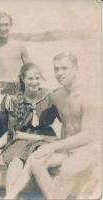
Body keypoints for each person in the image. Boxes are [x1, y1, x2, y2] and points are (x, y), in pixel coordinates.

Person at [0, 63, 59, 199]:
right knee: (15, 161)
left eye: (37, 78)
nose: (34, 82)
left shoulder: (49, 96)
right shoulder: (15, 100)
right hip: (21, 139)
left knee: (37, 155)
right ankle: (11, 196)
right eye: (30, 79)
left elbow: (65, 120)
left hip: (45, 137)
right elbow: (13, 133)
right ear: (22, 79)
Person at [21, 52, 96, 199]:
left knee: (67, 170)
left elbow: (88, 135)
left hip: (87, 148)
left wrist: (54, 146)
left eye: (64, 68)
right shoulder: (56, 95)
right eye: (56, 69)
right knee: (36, 161)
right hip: (66, 147)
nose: (59, 73)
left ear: (76, 68)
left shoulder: (88, 95)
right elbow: (61, 122)